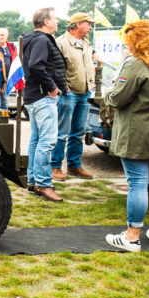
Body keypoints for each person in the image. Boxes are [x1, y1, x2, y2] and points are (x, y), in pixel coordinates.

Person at [104, 20, 149, 252]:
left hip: (138, 132)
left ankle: (132, 237)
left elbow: (119, 98)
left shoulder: (135, 64)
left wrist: (108, 94)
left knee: (138, 183)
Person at [20, 7, 67, 202]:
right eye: (55, 19)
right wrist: (51, 87)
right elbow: (36, 65)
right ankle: (44, 184)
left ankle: (33, 181)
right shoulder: (40, 39)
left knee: (37, 140)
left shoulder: (32, 39)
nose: (57, 22)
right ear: (46, 21)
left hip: (33, 96)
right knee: (46, 142)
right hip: (42, 97)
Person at [51, 13, 95, 181]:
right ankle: (55, 166)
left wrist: (90, 83)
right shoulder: (61, 43)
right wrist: (65, 88)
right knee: (62, 132)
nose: (90, 27)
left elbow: (89, 63)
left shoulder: (86, 42)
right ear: (77, 25)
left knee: (78, 132)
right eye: (88, 24)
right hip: (68, 94)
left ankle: (74, 166)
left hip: (84, 92)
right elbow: (55, 67)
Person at [0, 28, 18, 110]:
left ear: (7, 36)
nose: (0, 37)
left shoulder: (11, 47)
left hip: (8, 76)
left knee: (4, 98)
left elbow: (15, 60)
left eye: (2, 35)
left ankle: (4, 118)